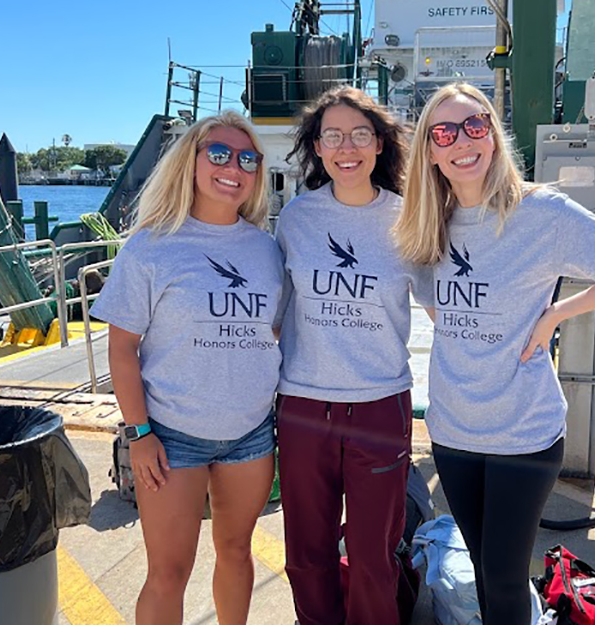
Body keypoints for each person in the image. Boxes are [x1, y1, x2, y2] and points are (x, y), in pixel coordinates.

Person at [394, 82, 595, 624]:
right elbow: (440, 313)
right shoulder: (429, 223)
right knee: (482, 567)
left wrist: (556, 314)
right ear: (430, 149)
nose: (462, 141)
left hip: (524, 429)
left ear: (493, 137)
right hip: (453, 431)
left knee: (504, 576)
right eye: (444, 132)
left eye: (475, 125)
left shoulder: (542, 213)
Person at [91, 111, 283, 625]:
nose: (233, 166)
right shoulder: (152, 247)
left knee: (237, 552)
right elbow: (122, 350)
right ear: (191, 163)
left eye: (247, 158)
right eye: (217, 153)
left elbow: (276, 333)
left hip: (251, 435)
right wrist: (140, 434)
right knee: (168, 572)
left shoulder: (267, 250)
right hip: (172, 437)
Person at [275, 86, 427, 625]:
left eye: (360, 134)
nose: (347, 146)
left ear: (381, 144)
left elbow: (449, 308)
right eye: (333, 135)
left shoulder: (409, 218)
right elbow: (271, 314)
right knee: (306, 554)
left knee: (372, 557)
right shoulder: (295, 220)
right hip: (302, 407)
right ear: (316, 148)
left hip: (380, 405)